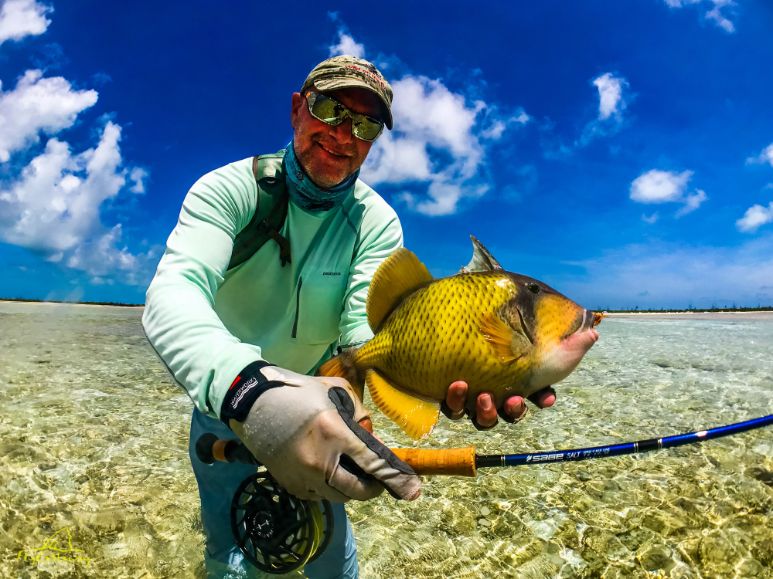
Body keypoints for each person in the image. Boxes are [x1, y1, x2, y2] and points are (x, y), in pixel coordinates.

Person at [142, 55, 556, 578]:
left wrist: (448, 370)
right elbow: (173, 293)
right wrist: (248, 392)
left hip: (322, 406)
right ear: (297, 109)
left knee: (334, 567)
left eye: (365, 125)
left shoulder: (376, 222)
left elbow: (363, 331)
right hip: (223, 403)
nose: (343, 135)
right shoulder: (230, 191)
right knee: (228, 555)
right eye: (329, 110)